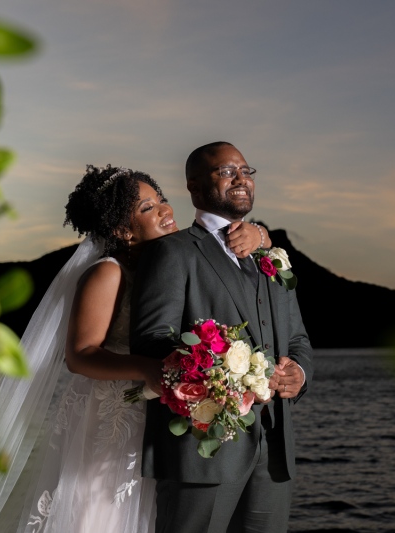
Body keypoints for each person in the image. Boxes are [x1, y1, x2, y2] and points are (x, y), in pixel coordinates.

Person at [0, 165, 270, 533]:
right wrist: (149, 369)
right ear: (121, 229)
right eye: (148, 209)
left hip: (161, 418)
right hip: (115, 417)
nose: (166, 210)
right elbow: (80, 353)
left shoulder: (174, 263)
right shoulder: (108, 273)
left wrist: (260, 233)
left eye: (162, 200)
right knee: (101, 514)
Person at [131, 142, 313, 533]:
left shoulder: (270, 256)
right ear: (194, 187)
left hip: (273, 448)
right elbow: (149, 340)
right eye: (226, 172)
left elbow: (296, 337)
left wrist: (297, 372)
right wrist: (221, 375)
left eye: (246, 171)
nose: (241, 179)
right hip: (201, 454)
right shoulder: (173, 253)